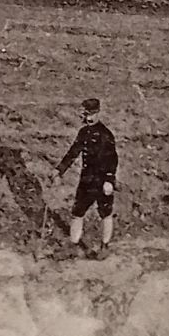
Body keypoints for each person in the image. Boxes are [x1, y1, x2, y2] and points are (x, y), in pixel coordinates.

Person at [56, 98, 119, 257]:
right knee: (77, 212)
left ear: (98, 113)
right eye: (86, 114)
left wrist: (109, 181)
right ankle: (74, 245)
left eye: (92, 114)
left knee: (105, 213)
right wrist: (59, 170)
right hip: (86, 181)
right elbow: (73, 153)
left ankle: (105, 246)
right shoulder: (83, 133)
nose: (89, 118)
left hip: (102, 181)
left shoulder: (106, 135)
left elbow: (113, 160)